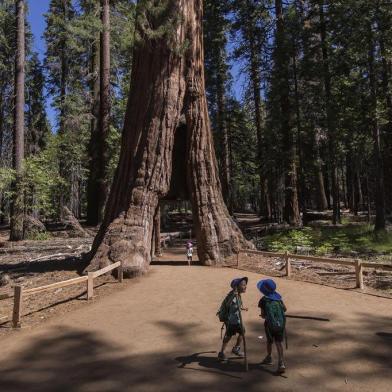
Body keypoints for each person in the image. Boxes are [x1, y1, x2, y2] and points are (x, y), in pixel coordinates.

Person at [257, 279, 287, 374]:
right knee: (278, 342)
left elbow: (263, 315)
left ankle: (269, 357)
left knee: (269, 341)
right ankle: (281, 362)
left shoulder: (263, 300)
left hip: (269, 325)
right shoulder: (278, 299)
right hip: (281, 324)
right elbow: (285, 309)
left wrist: (265, 316)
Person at [217, 277, 248, 362]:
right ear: (236, 287)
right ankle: (222, 353)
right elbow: (228, 304)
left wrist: (241, 308)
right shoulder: (233, 296)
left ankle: (236, 348)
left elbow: (235, 307)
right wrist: (233, 295)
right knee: (229, 335)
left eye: (245, 285)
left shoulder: (237, 295)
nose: (245, 287)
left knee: (242, 331)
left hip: (236, 320)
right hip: (231, 320)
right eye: (243, 285)